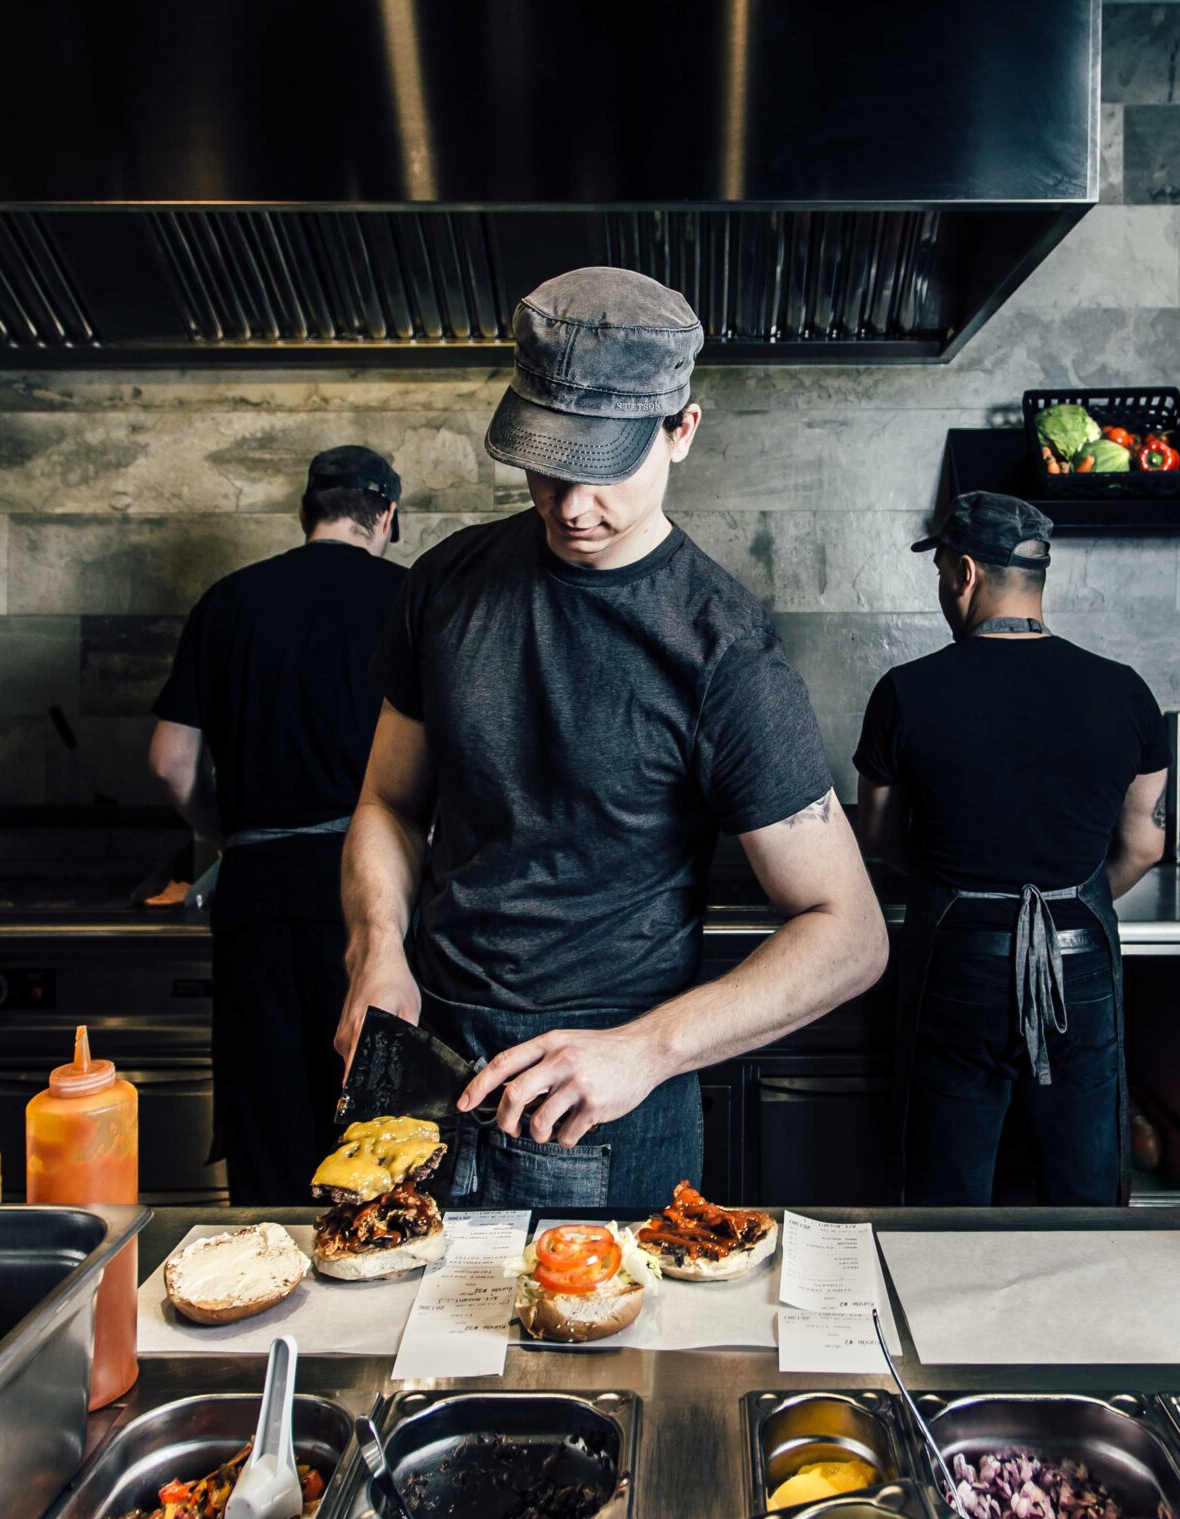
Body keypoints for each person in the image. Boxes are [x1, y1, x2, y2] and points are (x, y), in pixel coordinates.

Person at [335, 267, 887, 1209]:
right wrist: (377, 947)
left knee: (596, 1355)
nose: (572, 504)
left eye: (607, 466)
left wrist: (647, 1050)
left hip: (608, 1097)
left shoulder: (724, 650)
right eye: (550, 463)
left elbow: (851, 936)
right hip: (424, 1059)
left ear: (683, 430)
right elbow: (389, 801)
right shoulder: (446, 584)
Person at [854, 492, 1168, 1207]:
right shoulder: (1125, 692)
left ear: (963, 572)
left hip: (956, 964)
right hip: (1080, 965)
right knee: (1084, 1186)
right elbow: (1145, 844)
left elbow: (877, 838)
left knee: (947, 1189)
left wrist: (966, 895)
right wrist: (1070, 902)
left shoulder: (905, 692)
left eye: (940, 573)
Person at [150, 446, 407, 1203]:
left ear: (307, 514)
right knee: (384, 1143)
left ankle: (264, 1302)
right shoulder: (414, 597)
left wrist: (231, 831)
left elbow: (170, 759)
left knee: (270, 1142)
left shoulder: (228, 601)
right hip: (383, 902)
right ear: (385, 516)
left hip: (257, 901)